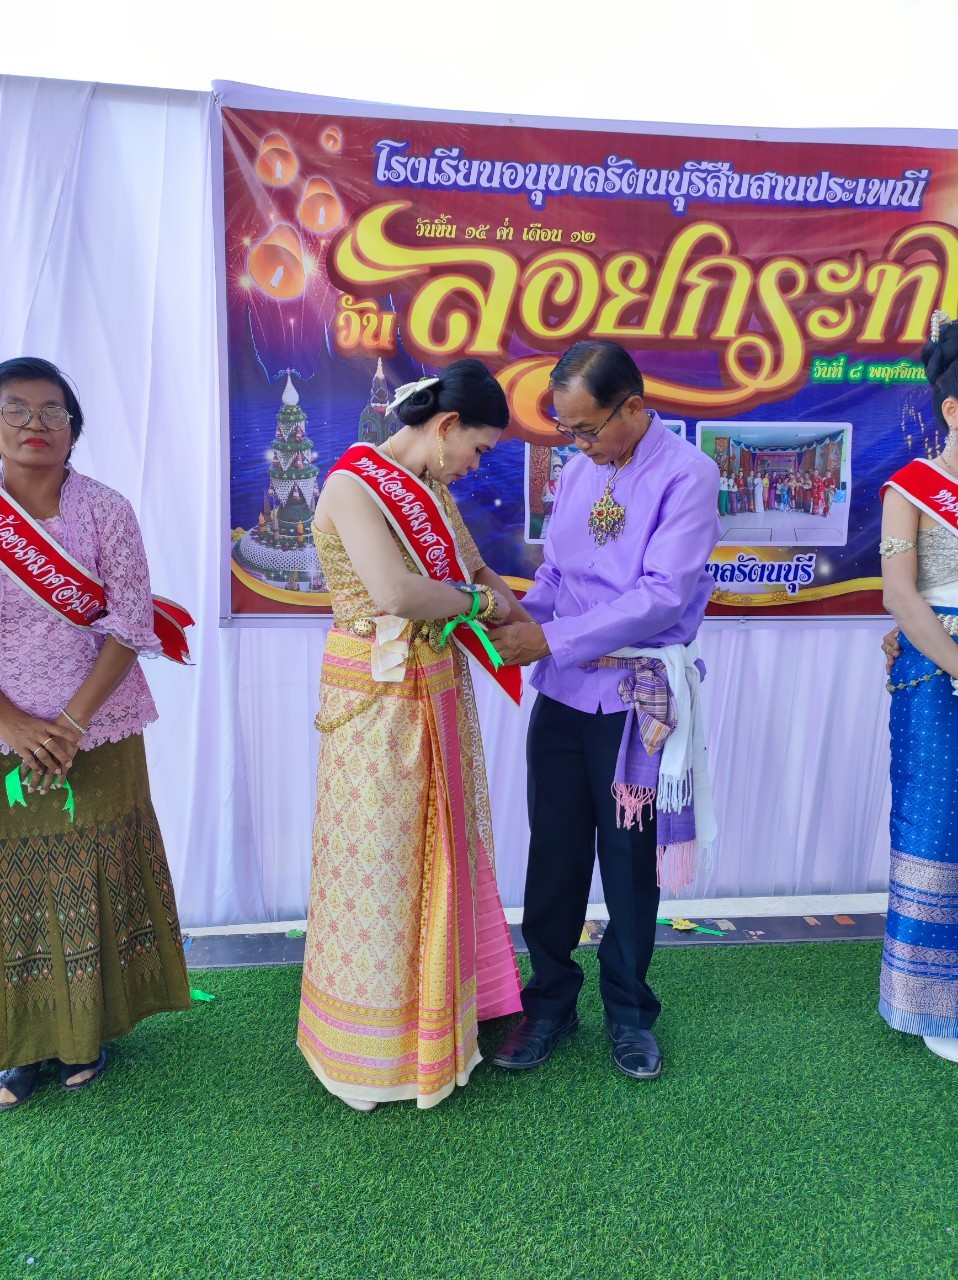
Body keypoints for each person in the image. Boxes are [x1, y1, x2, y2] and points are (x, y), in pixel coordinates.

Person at [296, 359, 524, 1112]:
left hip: (437, 689)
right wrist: (481, 607)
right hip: (375, 698)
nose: (476, 465)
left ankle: (437, 1031)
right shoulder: (351, 486)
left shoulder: (434, 491)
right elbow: (396, 593)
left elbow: (477, 570)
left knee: (440, 854)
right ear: (447, 426)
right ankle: (364, 1059)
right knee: (378, 863)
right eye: (479, 449)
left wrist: (510, 609)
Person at [489, 340, 719, 1082]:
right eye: (567, 431)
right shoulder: (579, 470)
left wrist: (548, 638)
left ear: (634, 408)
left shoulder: (688, 475)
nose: (578, 444)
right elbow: (559, 573)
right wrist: (517, 620)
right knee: (554, 854)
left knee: (627, 864)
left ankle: (630, 1012)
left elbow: (661, 596)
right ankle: (548, 1003)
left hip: (634, 700)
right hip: (562, 693)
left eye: (587, 428)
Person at [0, 357, 191, 1111]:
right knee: (13, 884)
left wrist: (72, 724)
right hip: (6, 732)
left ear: (74, 429)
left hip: (100, 726)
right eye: (16, 409)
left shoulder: (106, 509)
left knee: (95, 875)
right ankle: (21, 1041)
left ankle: (86, 1032)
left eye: (53, 411)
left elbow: (130, 624)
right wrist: (14, 722)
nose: (35, 424)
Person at [878, 311, 958, 1064]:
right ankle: (934, 1001)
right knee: (937, 826)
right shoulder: (912, 489)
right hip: (937, 674)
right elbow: (900, 596)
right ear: (953, 410)